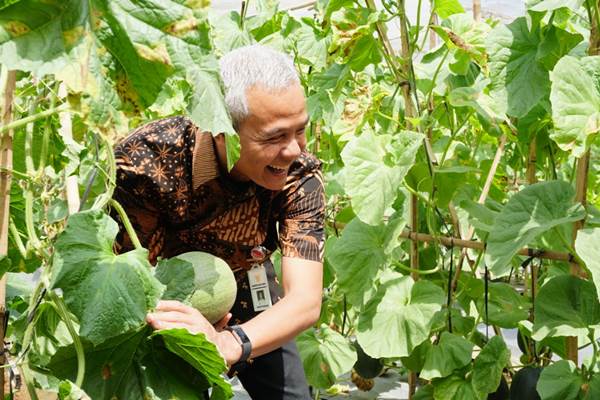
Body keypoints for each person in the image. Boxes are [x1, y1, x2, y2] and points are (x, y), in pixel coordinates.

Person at [113, 44, 324, 399]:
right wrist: (188, 329)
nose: (294, 150)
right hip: (164, 299)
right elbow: (128, 277)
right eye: (274, 137)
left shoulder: (300, 173)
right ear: (222, 130)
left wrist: (231, 342)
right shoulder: (146, 162)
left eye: (299, 130)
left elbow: (304, 300)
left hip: (248, 285)